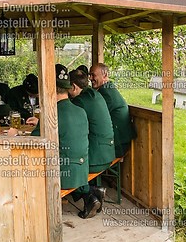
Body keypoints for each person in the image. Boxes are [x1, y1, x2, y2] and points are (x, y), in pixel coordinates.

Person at [29, 64, 100, 219]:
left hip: (64, 176)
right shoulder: (80, 111)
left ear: (50, 88)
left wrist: (15, 134)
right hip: (82, 173)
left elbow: (33, 143)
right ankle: (91, 193)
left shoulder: (51, 114)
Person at [69, 68, 115, 209]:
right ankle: (93, 192)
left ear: (74, 87)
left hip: (97, 159)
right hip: (109, 152)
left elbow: (71, 130)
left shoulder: (79, 102)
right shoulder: (94, 94)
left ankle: (90, 193)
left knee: (67, 164)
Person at [89, 63, 136, 157]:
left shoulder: (106, 93)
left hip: (118, 145)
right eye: (89, 75)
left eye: (93, 75)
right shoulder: (107, 88)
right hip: (118, 141)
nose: (90, 78)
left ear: (105, 75)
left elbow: (93, 117)